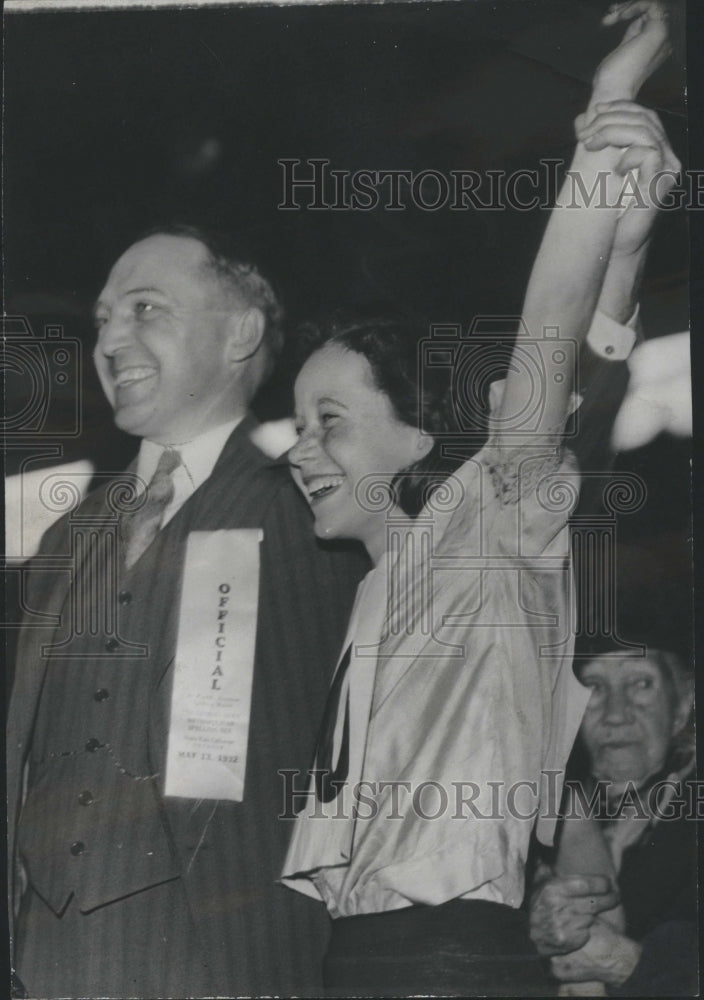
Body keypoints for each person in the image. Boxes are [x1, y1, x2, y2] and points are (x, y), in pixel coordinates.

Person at [280, 4, 681, 995]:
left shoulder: (475, 527)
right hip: (365, 954)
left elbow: (548, 349)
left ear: (419, 438)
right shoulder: (381, 589)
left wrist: (607, 115)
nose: (299, 450)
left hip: (438, 957)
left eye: (328, 420)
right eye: (294, 424)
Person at [7, 225, 366, 998]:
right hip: (47, 951)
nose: (111, 339)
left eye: (145, 308)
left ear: (239, 334)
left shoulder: (312, 513)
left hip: (222, 953)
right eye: (104, 318)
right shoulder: (69, 533)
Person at [529, 629, 696, 997]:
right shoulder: (548, 808)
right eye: (594, 686)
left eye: (640, 683)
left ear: (682, 705)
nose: (616, 715)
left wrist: (626, 963)